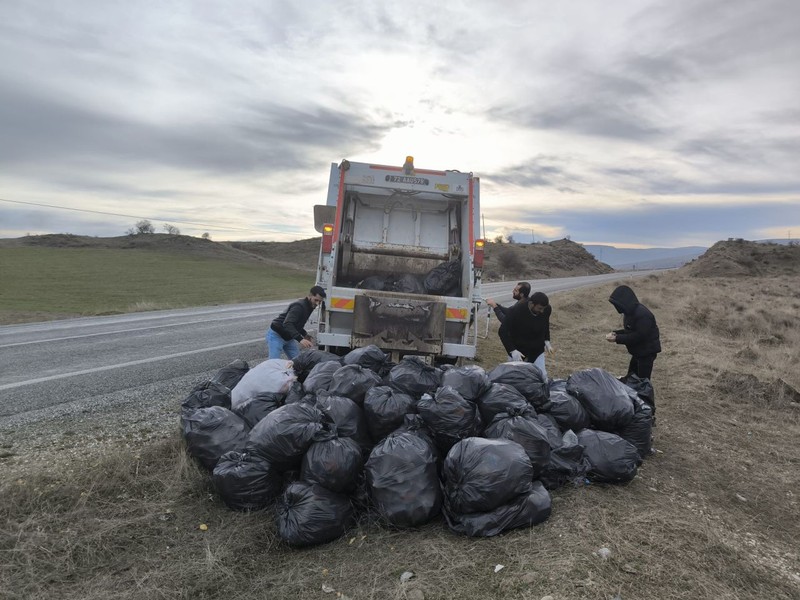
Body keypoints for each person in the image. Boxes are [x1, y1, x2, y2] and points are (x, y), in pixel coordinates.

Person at [606, 284, 661, 380]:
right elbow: (630, 330)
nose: (617, 307)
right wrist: (616, 333)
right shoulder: (629, 312)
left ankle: (643, 395)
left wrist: (617, 338)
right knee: (631, 377)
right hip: (638, 352)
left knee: (643, 382)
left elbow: (639, 336)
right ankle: (632, 392)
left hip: (647, 352)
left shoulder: (643, 315)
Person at [503, 291, 554, 380]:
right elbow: (502, 331)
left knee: (542, 376)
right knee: (513, 377)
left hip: (536, 349)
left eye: (543, 308)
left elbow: (545, 323)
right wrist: (512, 350)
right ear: (531, 304)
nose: (542, 311)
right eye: (539, 308)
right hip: (518, 350)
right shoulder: (516, 310)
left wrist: (547, 340)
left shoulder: (546, 309)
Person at [267, 286, 326, 360]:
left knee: (297, 361)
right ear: (310, 296)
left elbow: (298, 323)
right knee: (273, 363)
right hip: (277, 335)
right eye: (316, 300)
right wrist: (300, 339)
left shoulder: (310, 305)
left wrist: (304, 334)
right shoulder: (299, 306)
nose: (318, 303)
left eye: (320, 301)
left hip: (289, 337)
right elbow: (288, 323)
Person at [485, 281, 530, 359]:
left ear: (521, 294)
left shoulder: (522, 307)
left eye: (515, 290)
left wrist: (495, 307)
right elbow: (509, 312)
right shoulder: (525, 302)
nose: (513, 291)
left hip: (520, 349)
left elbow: (505, 320)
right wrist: (496, 305)